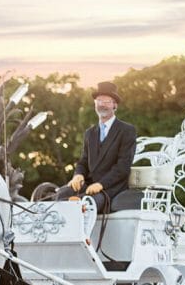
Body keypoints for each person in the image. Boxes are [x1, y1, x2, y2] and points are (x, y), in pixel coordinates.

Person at [55, 81, 137, 210]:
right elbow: (83, 161)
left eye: (107, 101)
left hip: (111, 188)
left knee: (87, 204)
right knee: (61, 194)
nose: (102, 105)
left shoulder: (127, 130)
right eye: (99, 101)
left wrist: (101, 184)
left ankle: (77, 215)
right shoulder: (90, 133)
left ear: (115, 105)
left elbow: (123, 166)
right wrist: (78, 175)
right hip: (89, 185)